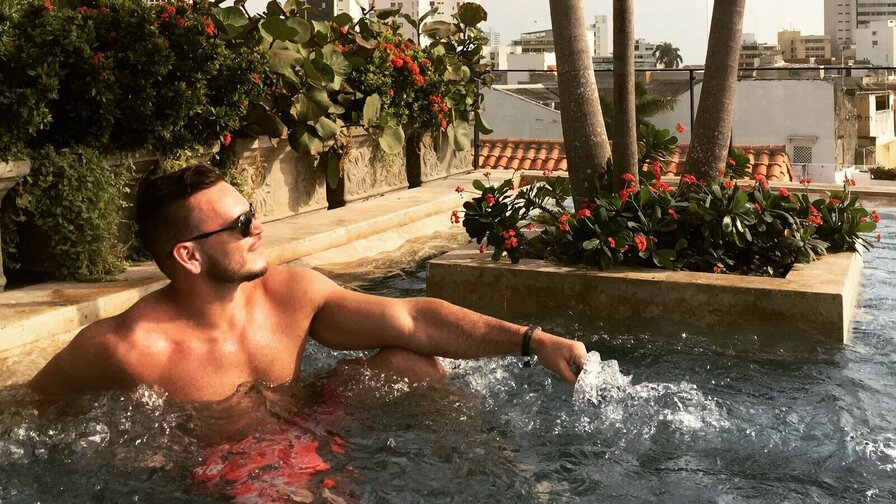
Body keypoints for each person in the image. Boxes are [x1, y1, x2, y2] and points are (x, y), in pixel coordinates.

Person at [28, 164, 587, 401]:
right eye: (240, 225)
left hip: (305, 427)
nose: (258, 228)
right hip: (217, 472)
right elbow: (32, 408)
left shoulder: (291, 294)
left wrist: (532, 341)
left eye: (252, 213)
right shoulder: (125, 349)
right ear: (189, 256)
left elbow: (411, 318)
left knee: (413, 364)